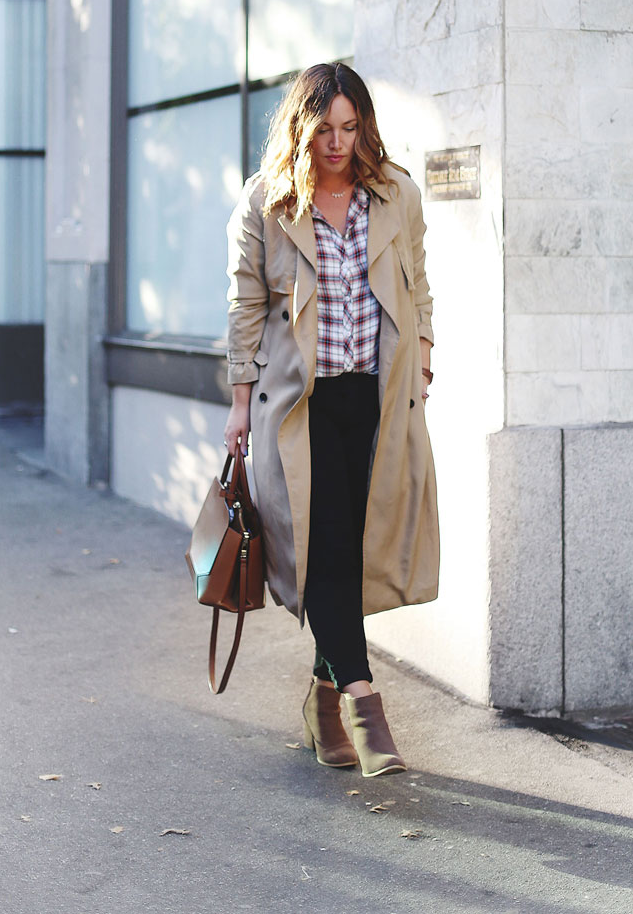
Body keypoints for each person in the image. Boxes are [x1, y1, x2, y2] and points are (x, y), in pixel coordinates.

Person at [224, 62, 438, 778]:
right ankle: (362, 700)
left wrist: (426, 357)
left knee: (352, 551)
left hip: (376, 399)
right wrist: (237, 408)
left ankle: (321, 706)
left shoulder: (395, 194)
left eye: (351, 128)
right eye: (325, 130)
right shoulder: (269, 204)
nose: (339, 143)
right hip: (298, 409)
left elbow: (420, 282)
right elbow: (246, 308)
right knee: (325, 551)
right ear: (301, 128)